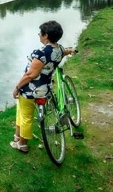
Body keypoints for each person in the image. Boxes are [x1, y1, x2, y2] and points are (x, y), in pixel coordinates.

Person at [10, 20, 77, 153]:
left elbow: (31, 75)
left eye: (40, 33)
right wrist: (71, 51)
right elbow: (66, 51)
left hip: (30, 90)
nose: (39, 35)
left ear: (46, 35)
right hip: (45, 89)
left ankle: (22, 144)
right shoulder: (58, 49)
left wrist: (17, 87)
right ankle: (17, 136)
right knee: (21, 112)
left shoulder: (42, 52)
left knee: (26, 117)